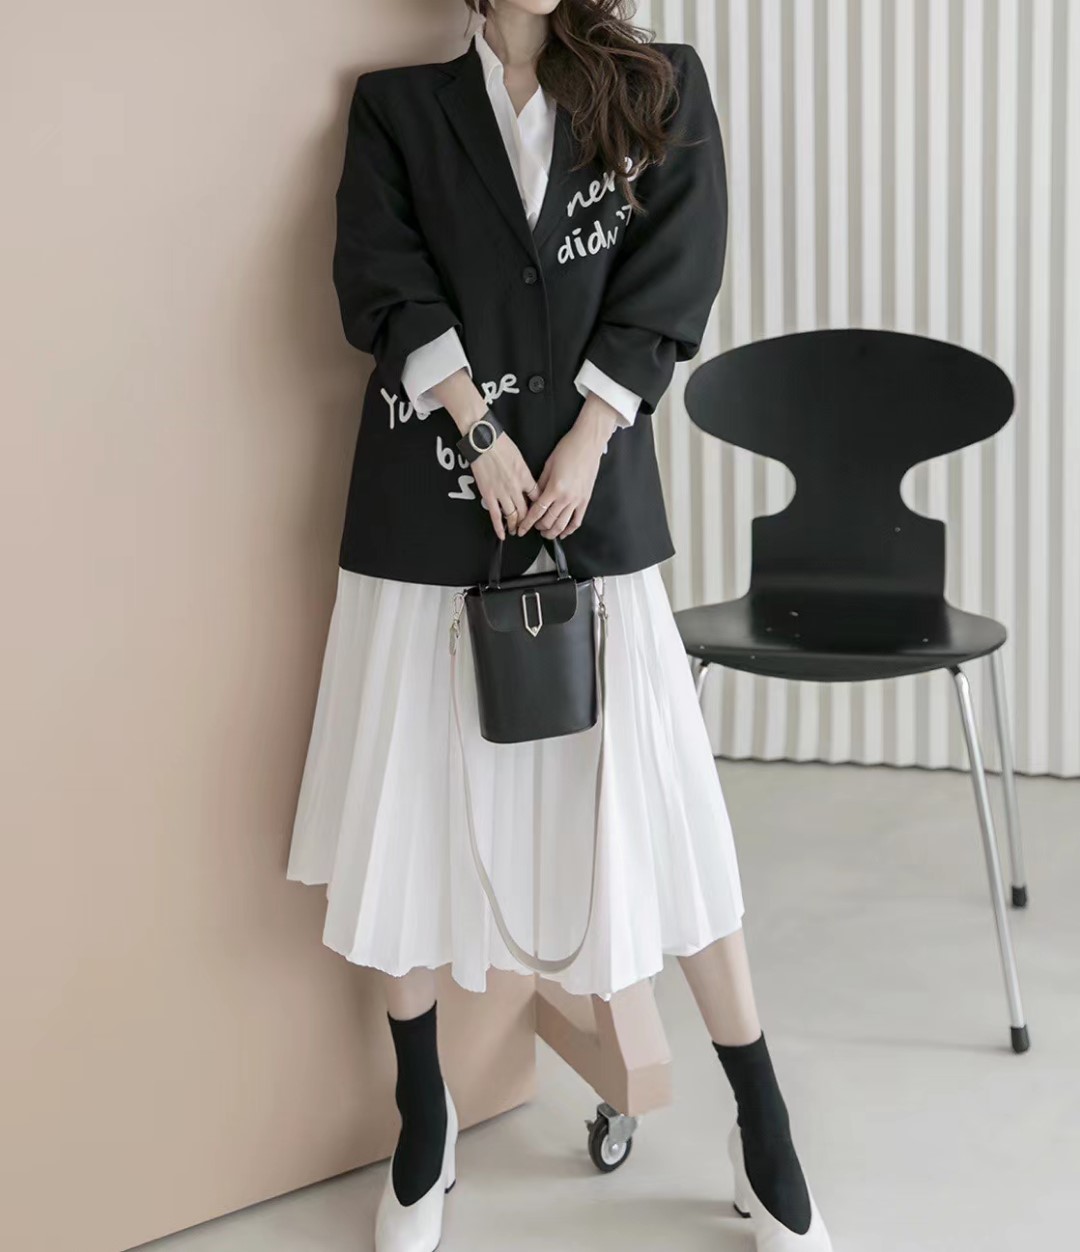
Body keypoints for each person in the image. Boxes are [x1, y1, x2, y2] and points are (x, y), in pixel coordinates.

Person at [286, 2, 833, 1249]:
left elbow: (676, 271)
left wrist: (588, 438)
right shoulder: (399, 110)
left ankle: (762, 1121)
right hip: (433, 505)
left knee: (664, 809)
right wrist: (480, 432)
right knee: (407, 814)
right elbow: (383, 281)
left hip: (592, 500)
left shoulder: (657, 86)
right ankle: (424, 1117)